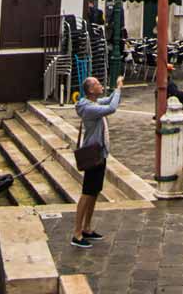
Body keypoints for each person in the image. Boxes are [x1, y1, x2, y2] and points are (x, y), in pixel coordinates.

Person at [71, 74, 123, 249]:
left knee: (94, 192)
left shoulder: (92, 103)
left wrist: (116, 90)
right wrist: (119, 87)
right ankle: (77, 233)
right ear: (91, 90)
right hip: (92, 154)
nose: (101, 86)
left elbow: (108, 100)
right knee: (87, 193)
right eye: (98, 84)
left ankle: (87, 227)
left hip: (100, 154)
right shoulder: (89, 109)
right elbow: (112, 107)